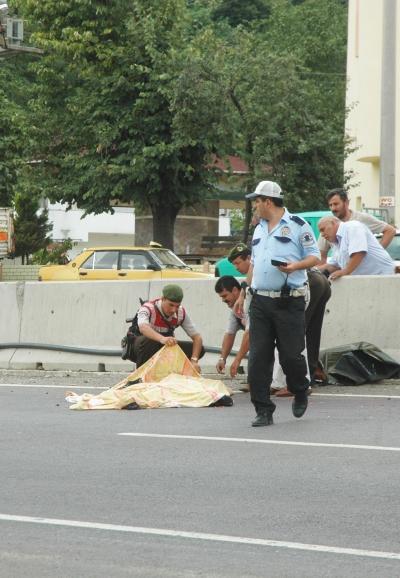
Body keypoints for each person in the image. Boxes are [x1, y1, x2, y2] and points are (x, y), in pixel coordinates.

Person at [236, 180, 320, 426]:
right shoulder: (259, 228)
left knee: (291, 357)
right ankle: (263, 409)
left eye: (257, 202)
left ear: (268, 202)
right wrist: (244, 291)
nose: (255, 206)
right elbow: (255, 264)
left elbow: (315, 256)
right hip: (260, 300)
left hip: (289, 301)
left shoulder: (297, 226)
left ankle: (300, 389)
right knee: (258, 358)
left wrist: (294, 267)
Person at [229, 244, 331, 395]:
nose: (236, 267)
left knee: (292, 336)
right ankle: (305, 376)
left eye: (238, 263)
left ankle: (294, 383)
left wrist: (237, 360)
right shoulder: (266, 247)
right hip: (318, 280)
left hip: (304, 283)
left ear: (248, 258)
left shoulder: (261, 253)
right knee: (308, 334)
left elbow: (251, 334)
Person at [132, 284, 204, 372]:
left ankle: (176, 374)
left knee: (199, 349)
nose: (174, 310)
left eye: (177, 306)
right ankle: (141, 376)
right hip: (141, 346)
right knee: (149, 341)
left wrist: (194, 361)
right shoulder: (148, 308)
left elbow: (197, 338)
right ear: (163, 299)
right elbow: (143, 328)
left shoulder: (180, 312)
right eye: (171, 305)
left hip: (164, 347)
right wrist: (162, 339)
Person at [318, 188, 396, 265]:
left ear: (346, 203)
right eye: (330, 205)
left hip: (365, 274)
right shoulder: (328, 226)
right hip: (343, 273)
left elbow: (390, 231)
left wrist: (376, 254)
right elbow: (322, 256)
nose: (333, 208)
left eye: (336, 204)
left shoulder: (361, 218)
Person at [318, 216, 395, 279]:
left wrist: (345, 271)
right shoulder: (337, 242)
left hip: (382, 277)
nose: (322, 234)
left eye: (323, 229)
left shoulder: (353, 227)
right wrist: (312, 271)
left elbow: (359, 253)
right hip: (369, 279)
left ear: (333, 223)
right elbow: (333, 265)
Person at [214, 276, 249, 381]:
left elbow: (249, 335)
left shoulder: (249, 304)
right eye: (221, 297)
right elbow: (229, 334)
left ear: (235, 290)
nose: (223, 300)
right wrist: (222, 359)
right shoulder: (235, 310)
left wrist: (237, 360)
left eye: (225, 296)